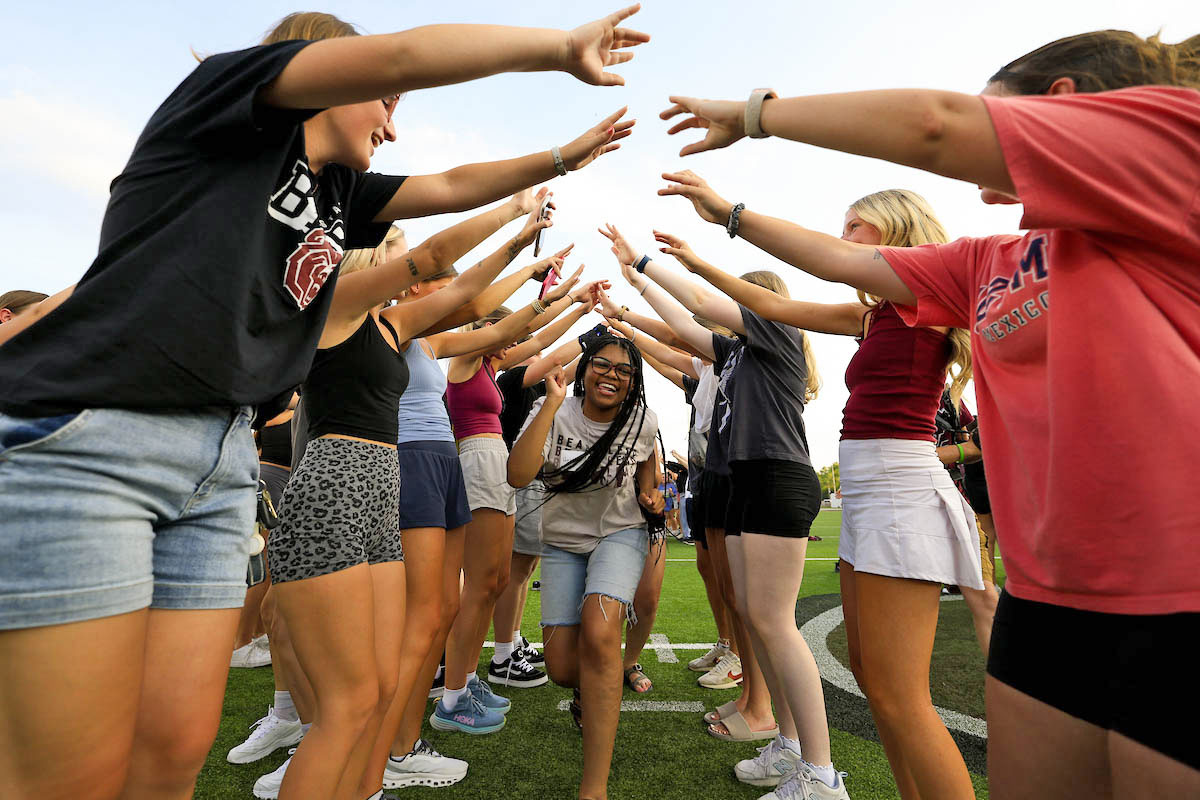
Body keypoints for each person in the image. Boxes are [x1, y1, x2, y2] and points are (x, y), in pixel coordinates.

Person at [0, 7, 648, 797]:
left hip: (220, 456)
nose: (392, 127)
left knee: (172, 754)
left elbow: (443, 192)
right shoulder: (226, 104)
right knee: (74, 772)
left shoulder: (338, 192)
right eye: (386, 104)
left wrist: (558, 159)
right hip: (104, 433)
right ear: (340, 71)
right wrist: (556, 48)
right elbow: (407, 60)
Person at [659, 29, 1200, 798]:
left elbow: (936, 125)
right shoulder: (985, 260)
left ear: (1063, 108)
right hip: (1048, 591)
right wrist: (728, 215)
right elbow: (842, 266)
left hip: (1178, 589)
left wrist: (755, 115)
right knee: (894, 702)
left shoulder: (1170, 160)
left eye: (996, 112)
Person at [649, 190, 978, 800]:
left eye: (858, 225)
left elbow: (813, 268)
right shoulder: (874, 313)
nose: (845, 236)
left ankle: (821, 780)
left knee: (902, 697)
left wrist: (729, 217)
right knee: (876, 684)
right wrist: (695, 263)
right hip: (870, 490)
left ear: (899, 230)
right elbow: (773, 302)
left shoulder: (923, 292)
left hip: (897, 486)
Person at [601, 224, 848, 800]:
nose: (731, 313)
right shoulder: (735, 353)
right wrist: (637, 281)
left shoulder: (779, 329)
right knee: (759, 623)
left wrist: (649, 259)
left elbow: (701, 301)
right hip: (744, 480)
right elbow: (685, 327)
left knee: (775, 624)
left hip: (776, 477)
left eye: (742, 303)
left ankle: (821, 774)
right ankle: (789, 745)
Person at [436, 281, 596, 733]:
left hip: (497, 465)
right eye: (504, 331)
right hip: (478, 462)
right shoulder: (467, 358)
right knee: (481, 585)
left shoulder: (490, 364)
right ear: (489, 328)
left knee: (497, 580)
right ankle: (452, 700)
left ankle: (466, 679)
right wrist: (560, 295)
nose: (514, 341)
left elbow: (543, 341)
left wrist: (581, 311)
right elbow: (527, 326)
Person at [508, 336, 662, 800]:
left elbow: (649, 481)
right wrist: (552, 401)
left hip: (620, 532)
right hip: (561, 543)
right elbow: (517, 474)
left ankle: (593, 788)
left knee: (600, 633)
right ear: (585, 369)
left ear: (633, 383)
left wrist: (654, 496)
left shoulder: (643, 422)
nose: (611, 375)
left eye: (623, 371)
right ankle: (588, 689)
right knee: (561, 668)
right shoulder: (553, 410)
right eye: (602, 365)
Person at [489, 323, 610, 689]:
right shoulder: (512, 379)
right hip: (524, 482)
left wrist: (598, 350)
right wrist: (597, 331)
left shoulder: (534, 385)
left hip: (537, 485)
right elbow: (556, 360)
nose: (542, 356)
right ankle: (502, 656)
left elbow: (566, 369)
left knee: (523, 572)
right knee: (514, 572)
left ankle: (512, 639)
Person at [935, 389, 1000, 656]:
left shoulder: (951, 398)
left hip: (953, 496)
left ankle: (1009, 686)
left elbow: (973, 449)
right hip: (903, 499)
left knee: (985, 594)